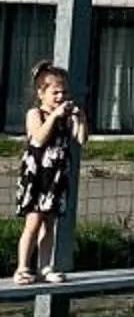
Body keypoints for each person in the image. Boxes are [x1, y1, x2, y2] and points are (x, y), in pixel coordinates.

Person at [14, 61, 87, 285]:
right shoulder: (35, 114)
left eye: (64, 92)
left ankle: (45, 266)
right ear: (41, 93)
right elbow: (38, 138)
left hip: (56, 176)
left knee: (49, 223)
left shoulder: (66, 117)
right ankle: (22, 267)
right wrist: (54, 116)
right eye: (55, 92)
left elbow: (80, 139)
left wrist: (81, 119)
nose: (60, 96)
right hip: (37, 175)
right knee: (33, 221)